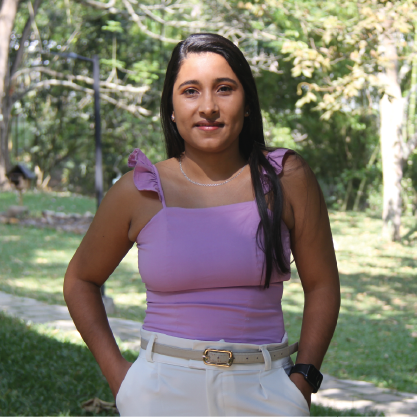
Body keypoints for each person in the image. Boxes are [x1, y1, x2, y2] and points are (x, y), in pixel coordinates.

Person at [64, 33, 340, 417]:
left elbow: (323, 284)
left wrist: (303, 381)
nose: (208, 107)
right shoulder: (139, 190)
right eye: (190, 91)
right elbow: (80, 280)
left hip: (266, 391)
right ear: (171, 108)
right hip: (159, 394)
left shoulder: (286, 178)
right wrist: (121, 379)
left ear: (247, 103)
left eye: (224, 88)